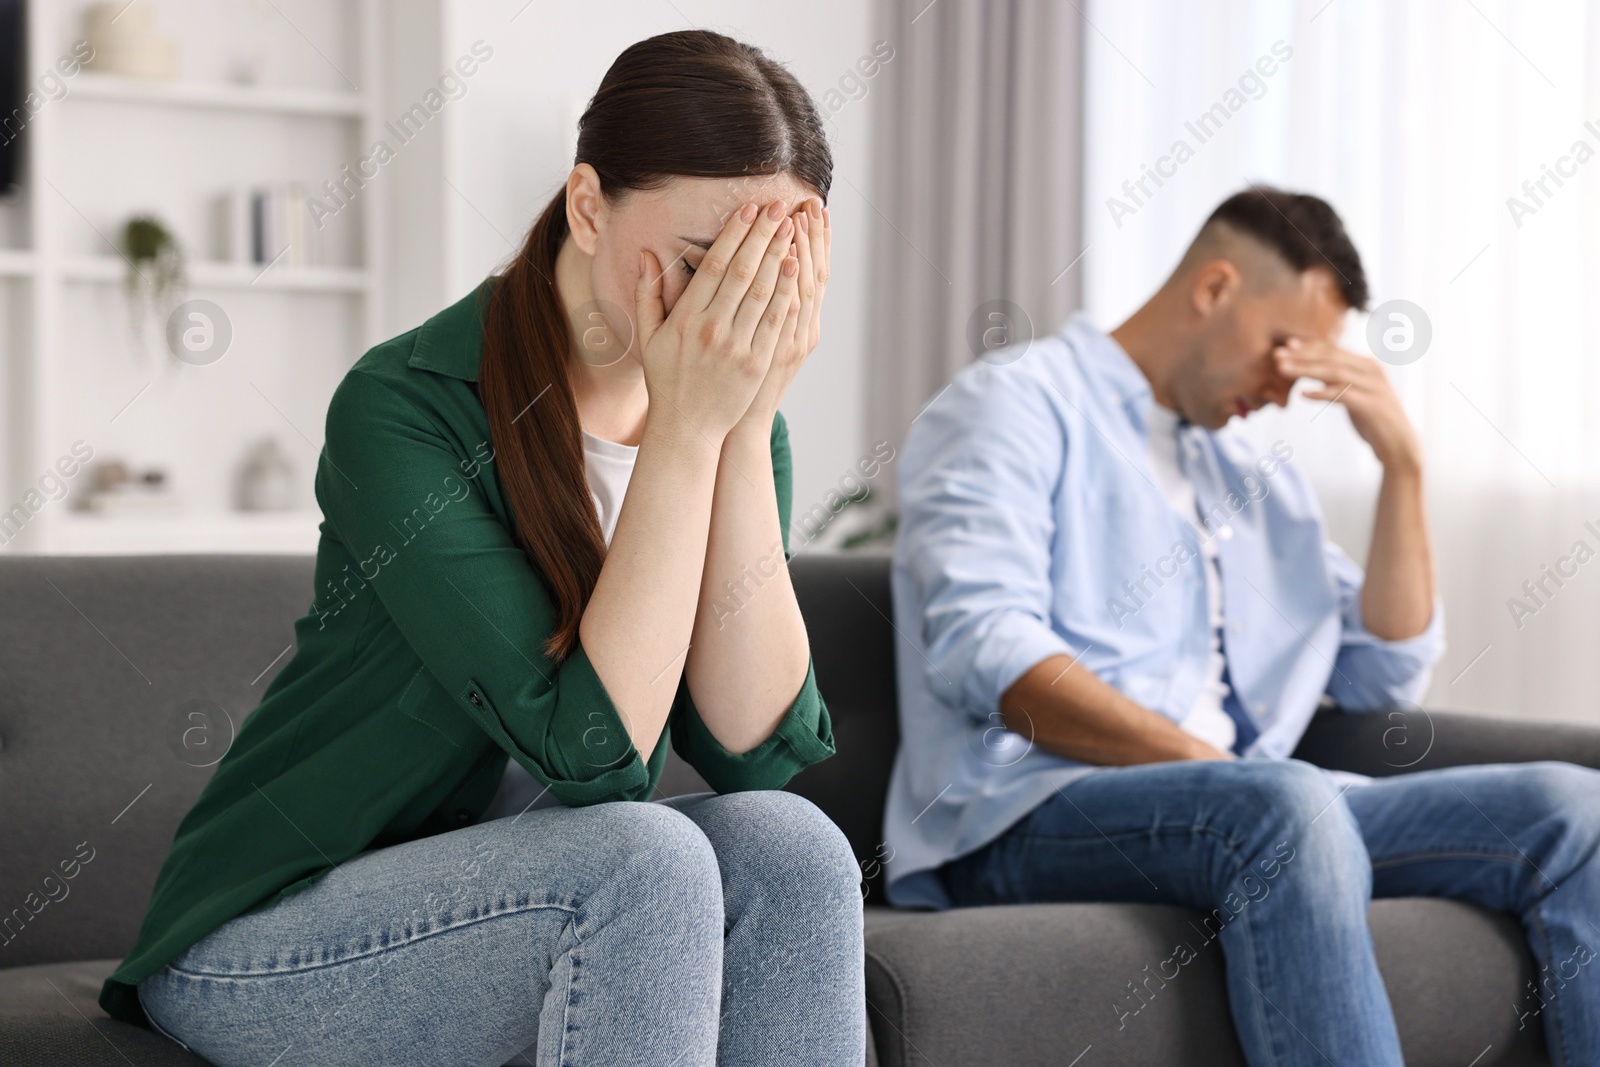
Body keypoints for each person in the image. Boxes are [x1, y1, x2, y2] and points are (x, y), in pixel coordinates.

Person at [99, 30, 864, 1067]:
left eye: (760, 275)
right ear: (588, 207)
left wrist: (737, 422)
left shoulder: (730, 407)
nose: (726, 314)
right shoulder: (400, 407)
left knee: (797, 849)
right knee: (642, 858)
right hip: (272, 935)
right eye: (699, 263)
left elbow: (751, 746)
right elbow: (596, 757)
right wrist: (690, 430)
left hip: (520, 899)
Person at [884, 186, 1600, 1066]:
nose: (1288, 385)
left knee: (1577, 810)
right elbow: (988, 653)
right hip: (1025, 810)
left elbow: (1381, 671)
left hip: (1245, 805)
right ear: (1216, 287)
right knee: (1286, 802)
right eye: (1283, 347)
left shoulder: (1247, 471)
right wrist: (1220, 774)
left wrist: (1402, 467)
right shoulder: (1016, 404)